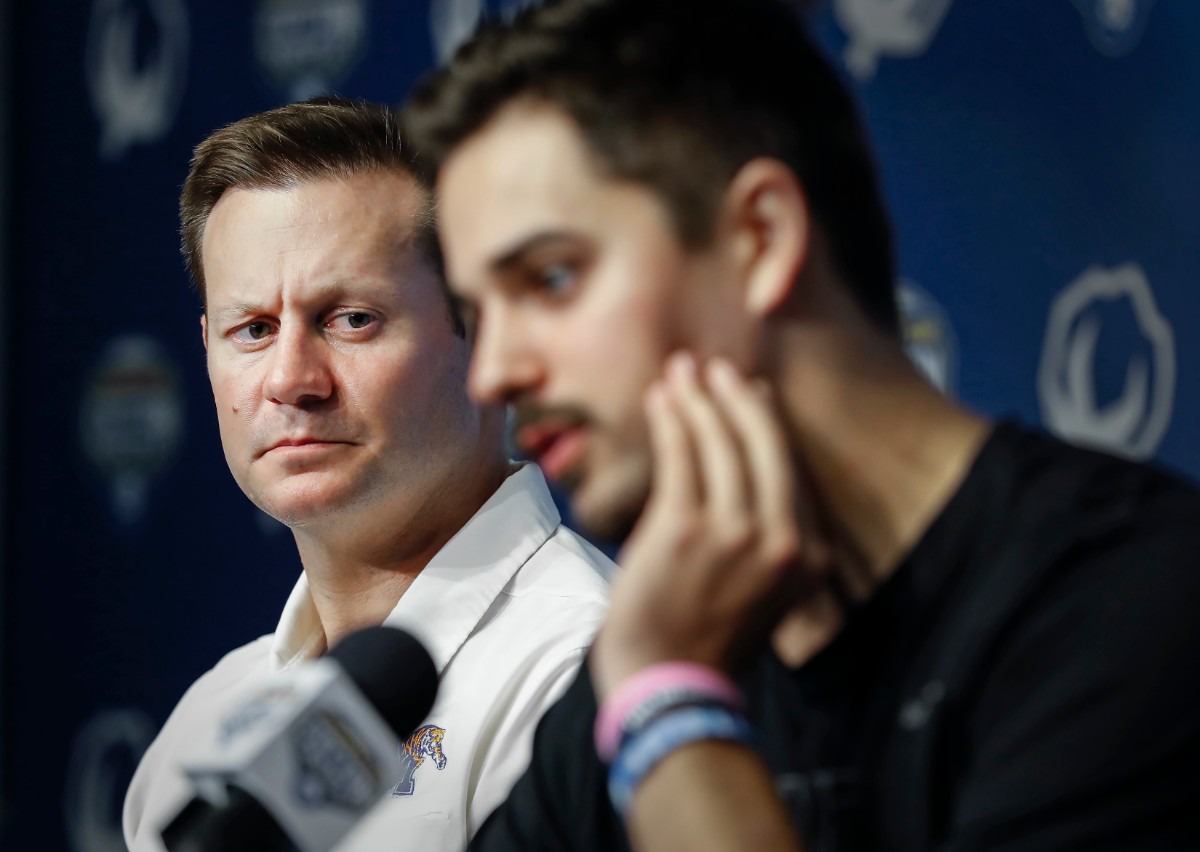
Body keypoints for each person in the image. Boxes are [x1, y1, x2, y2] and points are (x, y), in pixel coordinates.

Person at [404, 0, 1200, 848]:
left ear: (761, 237)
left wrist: (671, 709)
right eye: (479, 314)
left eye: (551, 279)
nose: (493, 374)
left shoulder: (1134, 608)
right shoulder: (639, 668)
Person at [122, 97, 612, 851]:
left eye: (350, 319)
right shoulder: (207, 725)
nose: (291, 379)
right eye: (252, 330)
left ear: (482, 332)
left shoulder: (582, 674)